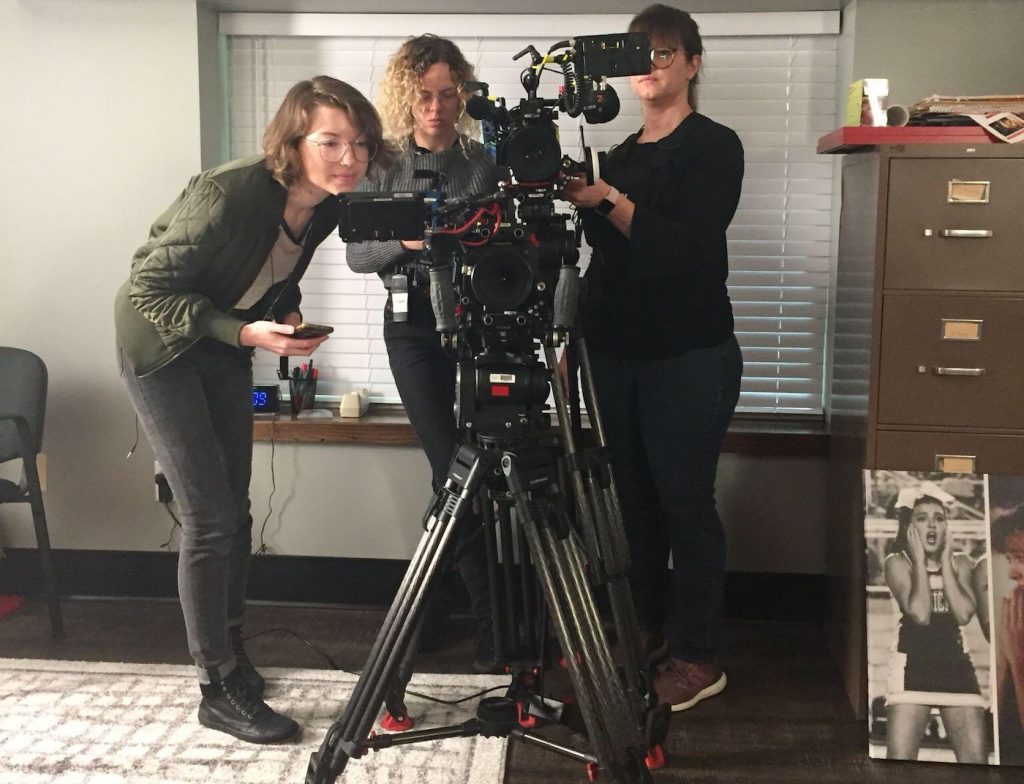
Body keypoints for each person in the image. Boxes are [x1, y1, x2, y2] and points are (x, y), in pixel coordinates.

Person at [115, 76, 387, 743]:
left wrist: (281, 313)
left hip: (225, 345)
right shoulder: (230, 192)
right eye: (330, 141)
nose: (349, 157)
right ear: (293, 142)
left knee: (234, 509)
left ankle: (232, 659)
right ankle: (215, 685)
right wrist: (243, 332)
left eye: (358, 143)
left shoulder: (324, 205)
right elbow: (148, 286)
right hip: (161, 349)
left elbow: (271, 275)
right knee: (208, 518)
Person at [563, 4, 743, 712]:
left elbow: (683, 249)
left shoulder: (715, 146)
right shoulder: (622, 154)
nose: (650, 65)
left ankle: (697, 657)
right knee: (629, 502)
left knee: (685, 502)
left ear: (693, 62)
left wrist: (607, 198)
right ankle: (639, 630)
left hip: (690, 355)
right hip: (615, 352)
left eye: (665, 53)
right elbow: (608, 259)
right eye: (640, 54)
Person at [345, 35, 500, 671]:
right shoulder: (382, 163)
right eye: (423, 96)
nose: (435, 108)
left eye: (446, 95)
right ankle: (490, 615)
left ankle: (434, 609)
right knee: (451, 463)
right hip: (410, 326)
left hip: (472, 324)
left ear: (460, 95)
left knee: (466, 468)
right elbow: (358, 254)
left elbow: (496, 245)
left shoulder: (480, 165)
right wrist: (409, 240)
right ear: (405, 97)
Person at [882, 483, 987, 762]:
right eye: (922, 517)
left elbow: (964, 614)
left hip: (957, 669)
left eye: (939, 518)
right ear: (909, 525)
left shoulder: (962, 562)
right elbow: (920, 613)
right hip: (912, 670)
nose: (932, 525)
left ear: (946, 527)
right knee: (899, 767)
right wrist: (919, 561)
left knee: (976, 766)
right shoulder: (897, 563)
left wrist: (946, 561)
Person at [992, 507, 1024, 763]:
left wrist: (1019, 660)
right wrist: (1005, 654)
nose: (1012, 572)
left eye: (1021, 558)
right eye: (1010, 559)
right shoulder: (1015, 613)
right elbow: (1001, 734)